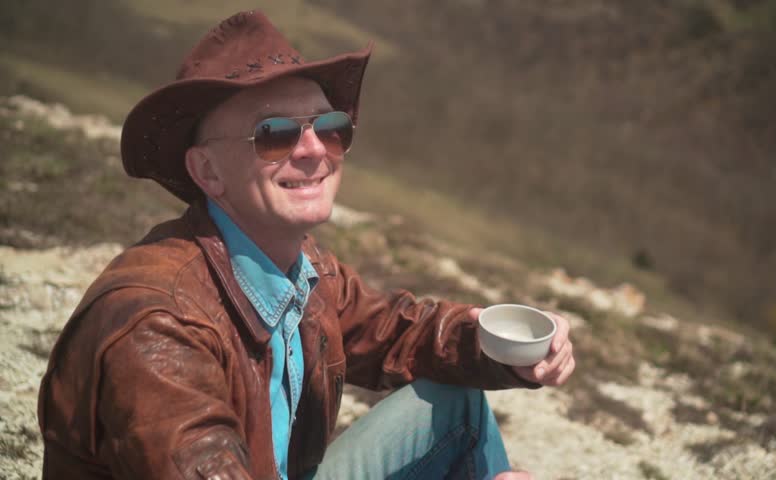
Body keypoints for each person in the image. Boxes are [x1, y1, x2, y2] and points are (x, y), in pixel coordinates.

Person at [38, 10, 574, 480]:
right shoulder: (158, 326)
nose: (315, 150)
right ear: (207, 170)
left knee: (455, 403)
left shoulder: (302, 268)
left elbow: (392, 331)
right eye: (275, 134)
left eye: (331, 127)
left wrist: (495, 343)